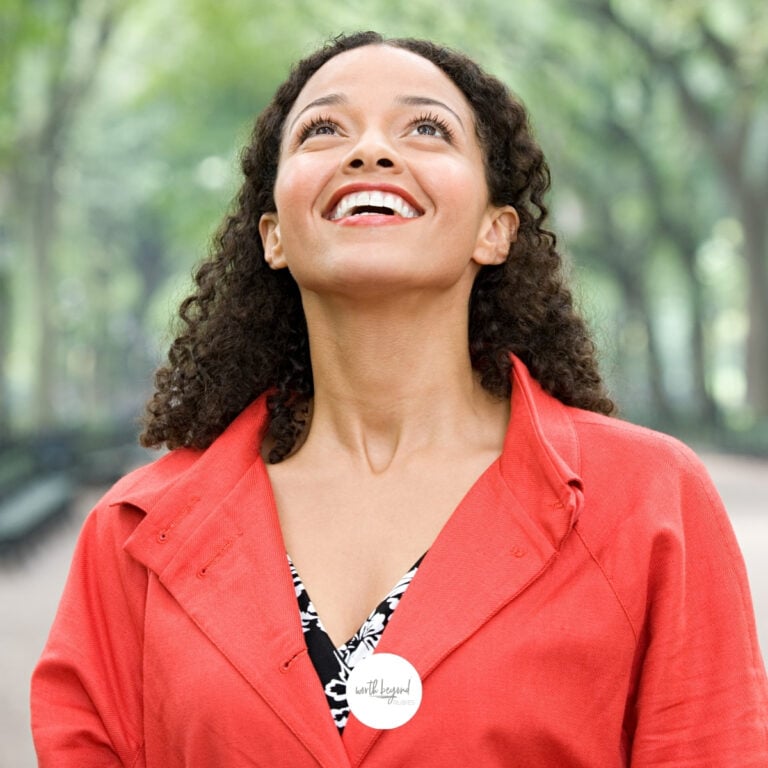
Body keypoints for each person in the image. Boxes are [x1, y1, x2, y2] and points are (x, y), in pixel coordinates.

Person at [31, 31, 768, 767]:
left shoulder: (652, 506)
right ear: (274, 236)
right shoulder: (134, 535)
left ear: (495, 230)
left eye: (426, 129)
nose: (371, 152)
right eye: (324, 129)